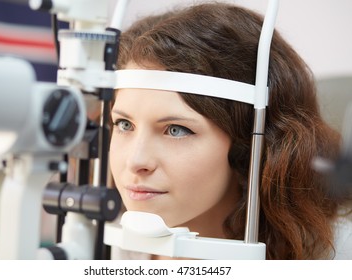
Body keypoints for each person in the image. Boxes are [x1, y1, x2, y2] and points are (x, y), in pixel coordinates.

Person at [108, 2, 352, 260]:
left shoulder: (337, 256)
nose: (136, 162)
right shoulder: (105, 246)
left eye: (176, 130)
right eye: (124, 124)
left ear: (249, 147)